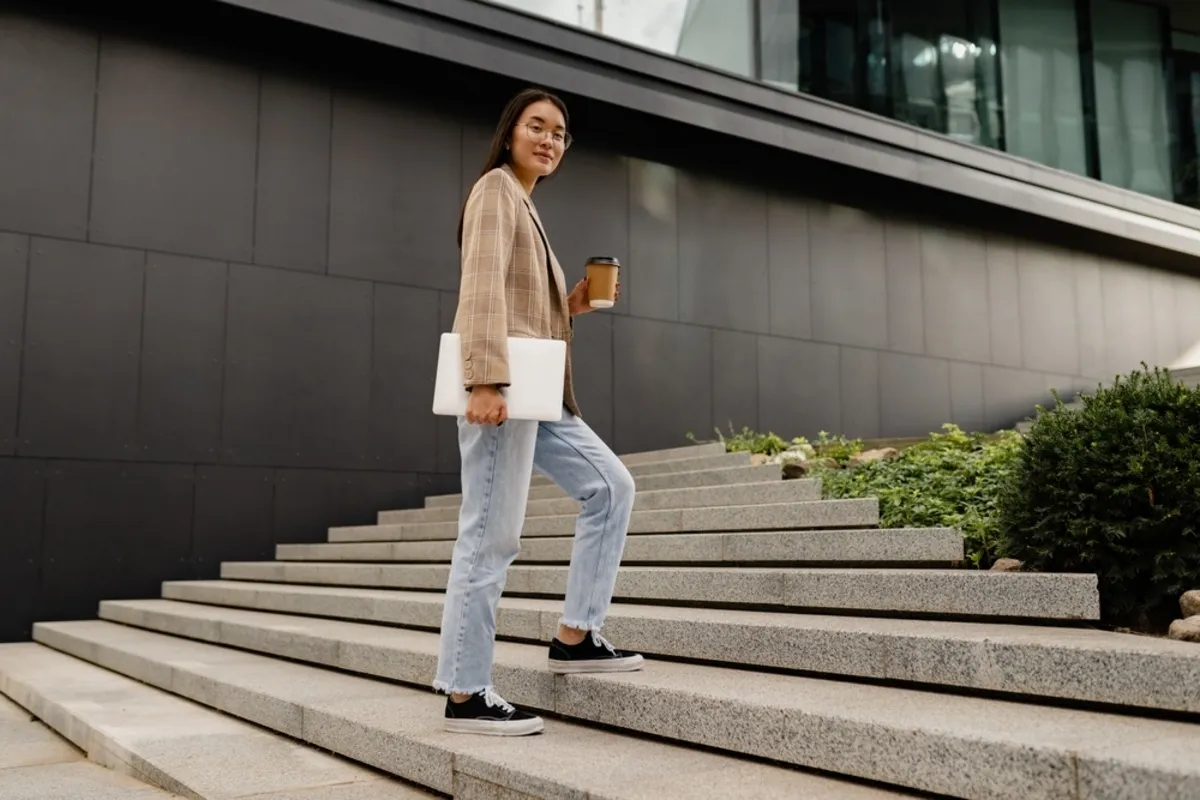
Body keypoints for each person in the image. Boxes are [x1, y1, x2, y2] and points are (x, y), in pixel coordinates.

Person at [434, 87, 643, 736]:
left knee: (610, 487)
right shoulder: (497, 188)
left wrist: (572, 304)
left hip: (537, 390)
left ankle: (576, 635)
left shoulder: (523, 202)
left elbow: (523, 298)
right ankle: (465, 694)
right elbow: (481, 285)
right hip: (503, 389)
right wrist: (486, 380)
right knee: (490, 535)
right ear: (510, 132)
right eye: (537, 126)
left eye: (560, 133)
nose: (550, 139)